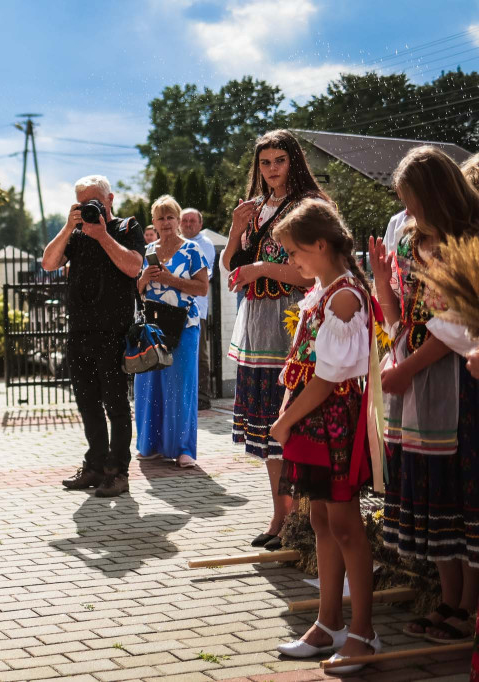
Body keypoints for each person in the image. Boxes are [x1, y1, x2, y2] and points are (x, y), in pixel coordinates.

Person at [372, 146, 479, 647]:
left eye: (411, 199)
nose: (407, 211)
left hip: (458, 384)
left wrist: (408, 366)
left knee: (459, 494)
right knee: (436, 494)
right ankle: (447, 597)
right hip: (418, 379)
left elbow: (456, 326)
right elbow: (406, 317)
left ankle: (466, 605)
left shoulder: (465, 242)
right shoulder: (415, 240)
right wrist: (380, 282)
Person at [269, 199, 379, 673]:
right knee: (320, 519)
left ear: (319, 244)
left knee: (346, 526)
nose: (292, 262)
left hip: (332, 421)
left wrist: (289, 417)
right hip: (314, 419)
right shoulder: (323, 290)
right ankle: (329, 621)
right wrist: (288, 408)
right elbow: (307, 364)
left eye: (295, 252)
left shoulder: (344, 296)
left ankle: (364, 631)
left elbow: (332, 375)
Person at [221, 129, 325, 551]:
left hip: (292, 322)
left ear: (294, 162)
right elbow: (230, 266)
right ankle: (280, 514)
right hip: (257, 327)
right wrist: (235, 228)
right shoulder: (256, 207)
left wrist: (261, 268)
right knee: (267, 428)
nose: (271, 170)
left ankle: (302, 519)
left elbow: (309, 272)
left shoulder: (308, 207)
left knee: (293, 422)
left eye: (279, 161)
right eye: (265, 163)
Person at [41, 175, 143, 497]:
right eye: (83, 203)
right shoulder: (76, 233)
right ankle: (95, 466)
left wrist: (101, 236)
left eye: (94, 202)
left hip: (113, 331)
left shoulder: (127, 228)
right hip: (79, 331)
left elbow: (133, 267)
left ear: (109, 199)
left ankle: (118, 472)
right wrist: (68, 227)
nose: (90, 208)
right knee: (87, 404)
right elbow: (48, 263)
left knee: (115, 404)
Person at [135, 196, 209, 469]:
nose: (165, 223)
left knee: (180, 387)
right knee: (148, 387)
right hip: (152, 327)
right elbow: (137, 290)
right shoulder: (146, 251)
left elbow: (202, 289)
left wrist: (170, 280)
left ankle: (183, 449)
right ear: (153, 222)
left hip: (183, 326)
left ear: (178, 221)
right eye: (160, 218)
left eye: (170, 217)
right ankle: (150, 446)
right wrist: (144, 279)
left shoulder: (192, 250)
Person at [181, 207, 217, 410]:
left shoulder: (205, 245)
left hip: (197, 308)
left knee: (199, 354)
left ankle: (202, 396)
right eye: (184, 221)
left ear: (200, 224)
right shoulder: (177, 243)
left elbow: (201, 275)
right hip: (176, 306)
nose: (188, 224)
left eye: (192, 221)